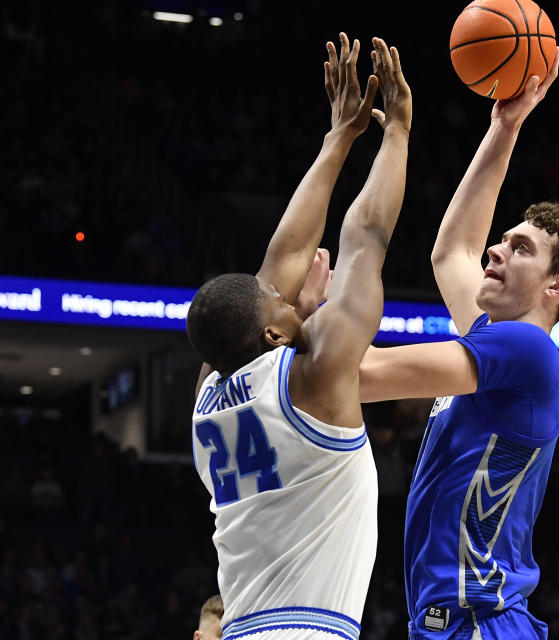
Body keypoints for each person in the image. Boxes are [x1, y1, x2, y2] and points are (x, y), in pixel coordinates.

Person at [359, 48, 559, 639]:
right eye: (504, 240)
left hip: (479, 621)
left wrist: (290, 321)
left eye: (521, 248)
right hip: (462, 619)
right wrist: (505, 126)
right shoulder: (503, 347)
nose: (497, 250)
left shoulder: (528, 352)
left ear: (558, 286)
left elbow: (364, 375)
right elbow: (454, 253)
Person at [186, 34, 412, 640]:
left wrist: (337, 139)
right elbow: (365, 239)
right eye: (281, 304)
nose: (290, 298)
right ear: (268, 330)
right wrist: (396, 133)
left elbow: (279, 260)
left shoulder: (210, 394)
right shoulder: (315, 376)